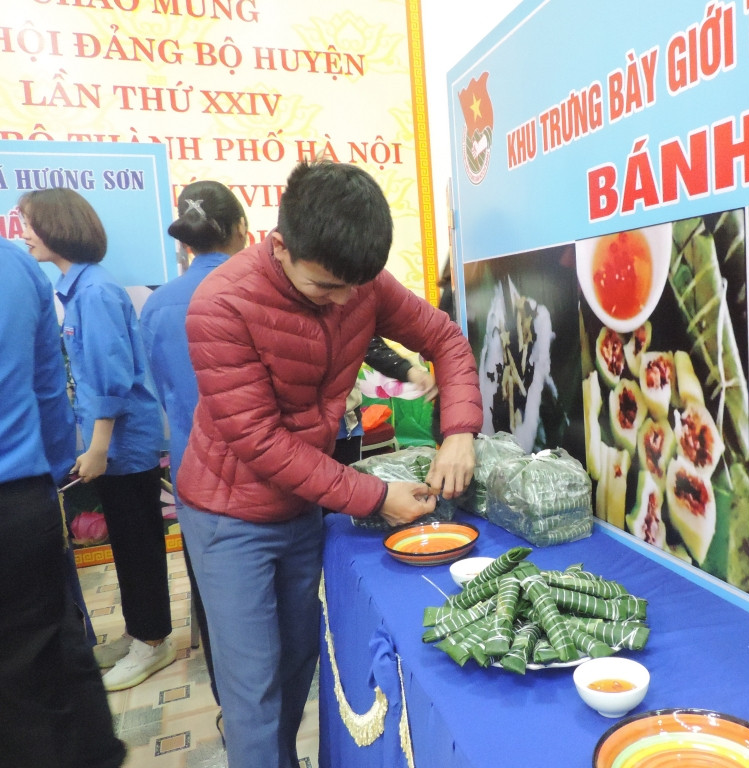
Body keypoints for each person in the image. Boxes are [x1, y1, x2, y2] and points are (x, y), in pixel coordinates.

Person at [175, 160, 482, 768]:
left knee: (298, 666)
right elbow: (260, 442)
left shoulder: (357, 283)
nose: (345, 302)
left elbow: (444, 338)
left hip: (304, 504)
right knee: (254, 693)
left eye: (354, 288)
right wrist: (372, 496)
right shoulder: (220, 306)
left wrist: (460, 432)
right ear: (281, 246)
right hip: (229, 517)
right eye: (326, 288)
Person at [19, 188, 175, 692]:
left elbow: (111, 378)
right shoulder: (78, 287)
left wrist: (98, 448)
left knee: (138, 545)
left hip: (123, 446)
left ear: (58, 228)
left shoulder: (95, 292)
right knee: (127, 544)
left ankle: (154, 641)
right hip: (110, 443)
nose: (23, 233)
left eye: (30, 223)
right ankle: (139, 631)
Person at [0, 236, 127, 768]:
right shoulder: (14, 268)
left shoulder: (93, 290)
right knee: (42, 662)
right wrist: (51, 474)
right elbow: (49, 390)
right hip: (18, 499)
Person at [139, 180, 249, 735]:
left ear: (185, 242)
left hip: (196, 481)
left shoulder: (158, 304)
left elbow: (160, 394)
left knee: (214, 601)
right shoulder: (258, 295)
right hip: (265, 481)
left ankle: (233, 708)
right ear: (242, 231)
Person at [332, 335, 437, 466]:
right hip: (306, 425)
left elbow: (368, 343)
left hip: (346, 420)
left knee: (347, 476)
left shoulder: (353, 321)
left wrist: (410, 372)